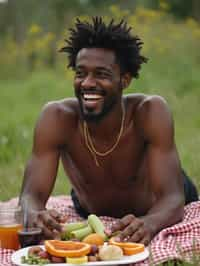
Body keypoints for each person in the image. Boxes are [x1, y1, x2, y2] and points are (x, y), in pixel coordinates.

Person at [19, 17, 198, 245]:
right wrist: (35, 214)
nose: (87, 83)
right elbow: (30, 196)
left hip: (157, 203)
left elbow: (173, 198)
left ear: (124, 80)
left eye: (101, 74)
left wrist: (150, 223)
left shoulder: (150, 112)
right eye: (80, 73)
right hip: (90, 207)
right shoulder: (57, 118)